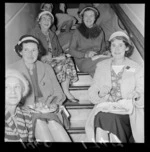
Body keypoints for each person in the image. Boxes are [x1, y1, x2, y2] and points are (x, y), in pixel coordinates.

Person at [8, 35, 71, 142]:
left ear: (38, 51)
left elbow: (59, 93)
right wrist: (26, 107)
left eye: (34, 50)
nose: (30, 54)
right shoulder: (12, 69)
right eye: (26, 50)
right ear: (20, 52)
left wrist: (52, 104)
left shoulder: (46, 67)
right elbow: (9, 97)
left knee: (54, 125)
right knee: (40, 124)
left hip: (47, 108)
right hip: (25, 111)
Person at [85, 31, 144, 143]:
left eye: (121, 45)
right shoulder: (101, 66)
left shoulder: (136, 68)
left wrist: (137, 95)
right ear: (110, 47)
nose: (117, 49)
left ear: (127, 48)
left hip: (127, 112)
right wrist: (100, 94)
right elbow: (92, 91)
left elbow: (142, 93)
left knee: (106, 118)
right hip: (106, 108)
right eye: (114, 45)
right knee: (102, 116)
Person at [29, 10, 79, 103]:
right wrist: (43, 57)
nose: (46, 21)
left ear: (51, 22)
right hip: (40, 63)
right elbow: (30, 53)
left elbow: (59, 51)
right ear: (39, 21)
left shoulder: (52, 35)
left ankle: (66, 91)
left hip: (53, 61)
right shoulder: (34, 33)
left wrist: (62, 55)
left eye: (49, 19)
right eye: (44, 18)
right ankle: (62, 92)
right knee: (63, 64)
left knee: (67, 60)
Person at [69, 3, 111, 77]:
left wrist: (105, 52)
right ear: (82, 17)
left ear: (95, 18)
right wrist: (85, 55)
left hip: (97, 59)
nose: (88, 18)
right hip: (83, 61)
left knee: (100, 74)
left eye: (91, 16)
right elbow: (71, 50)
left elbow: (103, 48)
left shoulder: (100, 31)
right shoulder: (78, 31)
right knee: (107, 63)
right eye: (86, 16)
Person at [5, 69, 33, 142]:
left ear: (22, 90)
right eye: (6, 87)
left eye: (17, 87)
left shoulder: (27, 116)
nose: (13, 91)